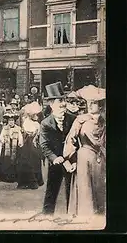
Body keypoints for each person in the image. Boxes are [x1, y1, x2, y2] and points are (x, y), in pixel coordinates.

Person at [63, 85, 106, 216]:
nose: (91, 105)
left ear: (100, 105)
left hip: (100, 157)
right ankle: (84, 214)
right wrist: (69, 158)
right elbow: (70, 139)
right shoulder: (80, 120)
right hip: (83, 157)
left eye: (94, 103)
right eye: (89, 103)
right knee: (84, 187)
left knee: (99, 186)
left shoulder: (104, 121)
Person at [39, 82, 77, 215]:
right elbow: (44, 145)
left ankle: (72, 218)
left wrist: (73, 158)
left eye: (64, 100)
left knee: (72, 192)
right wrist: (54, 158)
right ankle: (46, 218)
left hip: (71, 162)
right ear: (51, 104)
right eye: (59, 100)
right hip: (56, 162)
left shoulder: (73, 119)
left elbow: (77, 141)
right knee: (51, 191)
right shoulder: (45, 123)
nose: (63, 104)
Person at [17, 101, 45, 189]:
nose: (36, 116)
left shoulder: (37, 124)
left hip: (34, 143)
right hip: (27, 143)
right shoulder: (26, 122)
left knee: (35, 161)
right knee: (26, 161)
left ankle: (36, 180)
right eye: (34, 114)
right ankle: (27, 181)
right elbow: (25, 132)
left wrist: (36, 136)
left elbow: (39, 134)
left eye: (36, 114)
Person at [0, 112, 23, 183]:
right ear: (7, 121)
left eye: (12, 120)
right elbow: (1, 136)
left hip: (15, 146)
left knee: (14, 161)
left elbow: (20, 137)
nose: (11, 122)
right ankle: (6, 177)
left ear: (14, 121)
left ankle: (14, 177)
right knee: (6, 160)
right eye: (9, 121)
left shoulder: (18, 128)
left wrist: (20, 142)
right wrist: (2, 140)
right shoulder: (5, 128)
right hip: (7, 146)